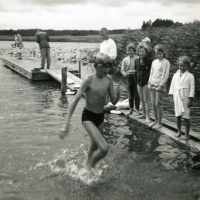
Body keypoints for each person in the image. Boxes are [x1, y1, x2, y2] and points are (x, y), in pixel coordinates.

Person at [60, 53, 120, 169]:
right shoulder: (89, 80)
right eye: (105, 67)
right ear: (96, 66)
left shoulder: (109, 80)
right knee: (104, 148)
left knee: (94, 148)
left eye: (109, 67)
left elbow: (113, 101)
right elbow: (75, 101)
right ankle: (89, 167)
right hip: (88, 117)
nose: (107, 70)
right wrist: (66, 124)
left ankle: (86, 168)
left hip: (100, 117)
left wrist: (117, 95)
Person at [169, 56, 195, 139]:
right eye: (180, 66)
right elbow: (172, 86)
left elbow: (192, 88)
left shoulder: (190, 76)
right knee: (178, 115)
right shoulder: (175, 75)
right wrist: (171, 95)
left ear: (187, 66)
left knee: (186, 116)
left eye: (184, 66)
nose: (182, 67)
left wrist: (191, 99)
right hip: (177, 96)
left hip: (185, 97)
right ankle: (179, 131)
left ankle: (187, 134)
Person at [148, 47, 170, 129]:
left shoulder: (166, 62)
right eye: (157, 54)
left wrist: (161, 85)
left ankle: (160, 122)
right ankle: (156, 121)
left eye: (160, 53)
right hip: (153, 84)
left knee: (158, 104)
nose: (158, 55)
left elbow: (166, 75)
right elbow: (151, 73)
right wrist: (149, 83)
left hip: (160, 86)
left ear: (163, 53)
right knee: (153, 104)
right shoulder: (154, 62)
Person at [135, 43, 153, 123]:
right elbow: (136, 71)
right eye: (140, 51)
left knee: (147, 100)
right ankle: (143, 114)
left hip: (146, 82)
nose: (141, 53)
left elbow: (152, 72)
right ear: (138, 52)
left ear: (146, 52)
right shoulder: (136, 61)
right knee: (141, 99)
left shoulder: (149, 61)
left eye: (143, 51)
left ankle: (148, 117)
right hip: (139, 82)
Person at [99, 27, 117, 104]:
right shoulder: (102, 44)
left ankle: (109, 103)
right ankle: (104, 102)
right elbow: (100, 55)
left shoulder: (112, 42)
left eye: (103, 34)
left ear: (107, 33)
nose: (102, 36)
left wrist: (104, 59)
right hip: (102, 67)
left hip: (109, 66)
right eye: (101, 35)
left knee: (108, 85)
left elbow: (113, 56)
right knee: (102, 85)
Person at [121, 43, 140, 115]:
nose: (130, 52)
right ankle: (131, 109)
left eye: (131, 50)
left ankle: (137, 110)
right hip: (129, 77)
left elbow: (140, 68)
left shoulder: (138, 58)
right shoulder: (125, 60)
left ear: (134, 51)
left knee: (136, 93)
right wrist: (125, 74)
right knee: (130, 94)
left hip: (136, 76)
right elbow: (122, 70)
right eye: (128, 51)